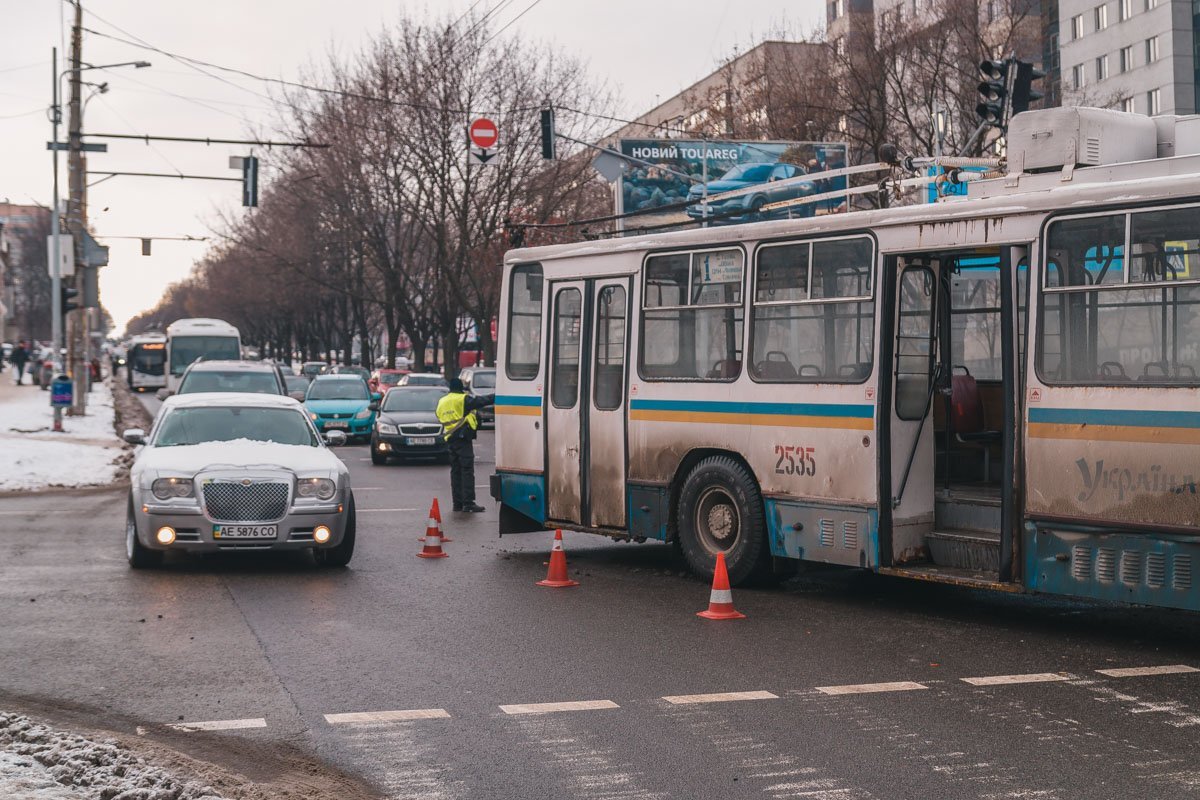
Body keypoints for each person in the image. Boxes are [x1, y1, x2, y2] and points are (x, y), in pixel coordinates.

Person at [436, 377, 495, 513]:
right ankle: (468, 503)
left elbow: (439, 416)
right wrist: (498, 396)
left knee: (455, 472)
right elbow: (482, 401)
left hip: (450, 438)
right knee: (467, 470)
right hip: (463, 438)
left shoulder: (442, 401)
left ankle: (457, 503)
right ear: (460, 387)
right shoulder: (462, 399)